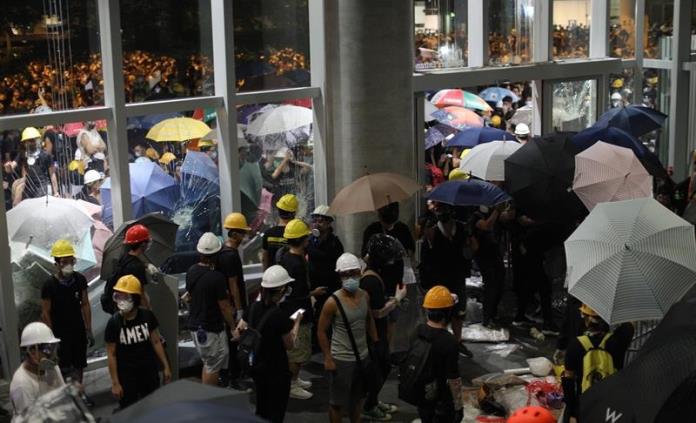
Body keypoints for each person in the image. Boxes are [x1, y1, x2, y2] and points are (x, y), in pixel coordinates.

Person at [318, 253, 378, 423]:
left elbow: (369, 320)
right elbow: (321, 331)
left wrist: (376, 343)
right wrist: (328, 358)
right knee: (337, 404)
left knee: (357, 399)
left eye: (353, 273)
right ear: (339, 276)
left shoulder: (365, 295)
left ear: (359, 272)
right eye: (345, 274)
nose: (350, 277)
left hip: (363, 356)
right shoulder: (332, 302)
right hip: (341, 359)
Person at [238, 265, 303, 423]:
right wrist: (297, 323)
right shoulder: (280, 316)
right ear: (281, 290)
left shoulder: (252, 307)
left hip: (257, 368)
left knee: (262, 407)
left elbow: (238, 330)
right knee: (276, 411)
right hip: (276, 371)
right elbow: (290, 344)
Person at [104, 275, 171, 410]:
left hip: (148, 371)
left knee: (153, 407)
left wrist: (166, 367)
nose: (121, 301)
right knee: (130, 410)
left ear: (135, 298)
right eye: (119, 296)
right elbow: (111, 355)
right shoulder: (114, 323)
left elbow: (156, 342)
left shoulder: (147, 316)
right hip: (127, 375)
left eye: (126, 297)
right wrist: (115, 383)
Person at [361, 234, 408, 421]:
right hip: (372, 334)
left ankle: (372, 401)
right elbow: (376, 312)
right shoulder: (371, 280)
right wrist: (397, 299)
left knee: (383, 366)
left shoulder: (374, 276)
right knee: (379, 368)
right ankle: (368, 406)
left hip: (377, 331)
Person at [40, 240, 94, 405]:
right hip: (59, 331)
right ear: (56, 263)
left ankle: (79, 392)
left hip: (77, 328)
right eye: (64, 262)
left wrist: (88, 328)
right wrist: (51, 337)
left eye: (71, 261)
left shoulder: (79, 280)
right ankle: (67, 396)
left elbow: (85, 303)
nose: (69, 265)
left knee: (79, 363)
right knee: (63, 365)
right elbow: (45, 312)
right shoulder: (49, 285)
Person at [419, 203, 475, 357]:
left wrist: (469, 238)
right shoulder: (433, 231)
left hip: (457, 277)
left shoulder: (462, 229)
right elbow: (426, 258)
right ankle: (440, 344)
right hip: (439, 278)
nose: (442, 213)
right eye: (439, 210)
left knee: (458, 312)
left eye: (445, 210)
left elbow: (471, 251)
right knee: (440, 311)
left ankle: (457, 342)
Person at [278, 218, 326, 399]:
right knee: (297, 350)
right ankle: (291, 384)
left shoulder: (286, 257)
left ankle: (295, 379)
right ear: (302, 240)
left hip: (291, 310)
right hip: (297, 312)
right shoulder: (296, 263)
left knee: (297, 349)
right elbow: (299, 294)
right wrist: (314, 293)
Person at [562, 304, 634, 422]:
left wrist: (572, 409)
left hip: (584, 404)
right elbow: (630, 324)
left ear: (585, 319)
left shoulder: (575, 345)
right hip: (611, 406)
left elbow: (568, 379)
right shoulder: (618, 340)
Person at [185, 232, 236, 386]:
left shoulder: (191, 271)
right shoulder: (217, 278)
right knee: (212, 364)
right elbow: (224, 307)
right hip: (209, 327)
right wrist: (233, 326)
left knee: (211, 361)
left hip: (196, 325)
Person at [361, 202, 415, 343]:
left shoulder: (402, 229)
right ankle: (377, 349)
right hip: (376, 280)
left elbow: (410, 252)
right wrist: (377, 253)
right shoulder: (372, 230)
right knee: (376, 317)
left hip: (395, 280)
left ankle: (387, 350)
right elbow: (364, 257)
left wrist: (397, 251)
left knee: (392, 318)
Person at [412, 286, 463, 423]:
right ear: (448, 313)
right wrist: (458, 407)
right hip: (441, 398)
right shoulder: (449, 341)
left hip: (421, 393)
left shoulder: (418, 331)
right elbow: (453, 378)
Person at [217, 212, 251, 391]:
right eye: (242, 232)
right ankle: (233, 378)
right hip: (232, 306)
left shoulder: (224, 251)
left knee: (231, 341)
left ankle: (230, 376)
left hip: (227, 305)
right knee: (234, 341)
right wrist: (239, 309)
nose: (245, 236)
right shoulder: (230, 255)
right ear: (235, 234)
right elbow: (233, 285)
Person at [307, 205, 344, 348]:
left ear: (329, 223)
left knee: (329, 316)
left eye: (320, 221)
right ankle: (318, 343)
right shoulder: (309, 241)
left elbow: (340, 266)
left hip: (331, 286)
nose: (316, 224)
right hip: (315, 286)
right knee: (318, 314)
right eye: (314, 220)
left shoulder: (335, 243)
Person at [10, 322, 65, 419]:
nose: (52, 354)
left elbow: (64, 396)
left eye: (52, 348)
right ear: (32, 351)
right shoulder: (22, 385)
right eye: (47, 349)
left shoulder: (50, 367)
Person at [471, 204, 507, 328]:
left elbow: (505, 218)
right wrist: (497, 211)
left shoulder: (492, 211)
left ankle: (493, 312)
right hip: (483, 255)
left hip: (495, 253)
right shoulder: (475, 215)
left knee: (500, 283)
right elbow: (486, 226)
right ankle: (487, 318)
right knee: (490, 285)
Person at [109, 224, 152, 310]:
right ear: (143, 245)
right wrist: (148, 311)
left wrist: (146, 265)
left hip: (120, 304)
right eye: (147, 241)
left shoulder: (123, 257)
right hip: (132, 307)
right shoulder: (137, 267)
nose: (148, 244)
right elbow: (141, 294)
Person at [19, 127, 59, 199]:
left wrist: (56, 192)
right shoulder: (24, 157)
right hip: (30, 190)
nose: (28, 143)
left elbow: (52, 174)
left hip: (44, 189)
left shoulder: (46, 155)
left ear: (37, 140)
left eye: (31, 140)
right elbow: (24, 176)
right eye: (25, 141)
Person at [261, 193, 298, 269]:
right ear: (293, 213)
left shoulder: (268, 233)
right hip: (290, 276)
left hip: (273, 276)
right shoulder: (295, 234)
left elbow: (264, 259)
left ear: (278, 212)